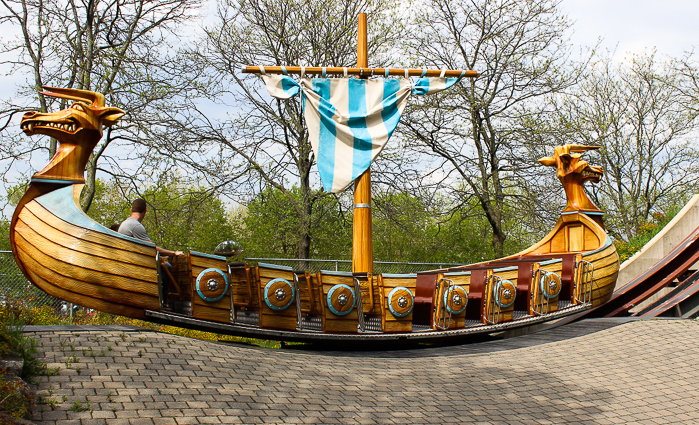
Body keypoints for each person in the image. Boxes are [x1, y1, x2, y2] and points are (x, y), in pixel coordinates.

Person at [119, 199, 184, 309]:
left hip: (128, 261)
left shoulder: (124, 223)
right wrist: (174, 253)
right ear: (145, 211)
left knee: (161, 264)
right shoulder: (135, 226)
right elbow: (152, 249)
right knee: (166, 267)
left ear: (131, 210)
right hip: (133, 265)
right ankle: (160, 303)